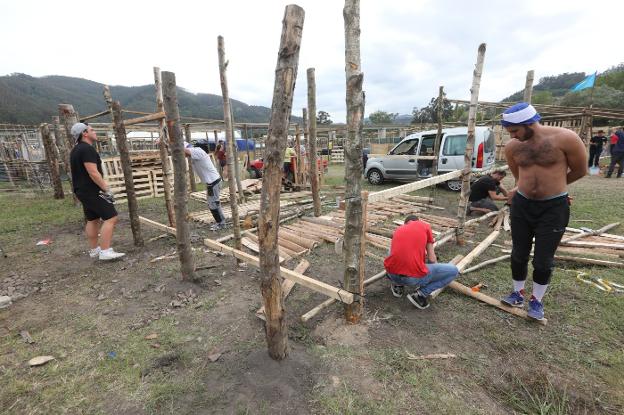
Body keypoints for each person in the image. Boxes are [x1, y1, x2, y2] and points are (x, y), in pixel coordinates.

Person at [501, 103, 587, 320]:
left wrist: (557, 187)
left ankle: (537, 301)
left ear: (529, 123)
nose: (512, 136)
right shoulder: (513, 147)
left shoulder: (565, 138)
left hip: (553, 208)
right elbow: (518, 175)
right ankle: (517, 292)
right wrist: (518, 189)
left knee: (543, 259)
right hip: (522, 205)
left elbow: (580, 170)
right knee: (518, 254)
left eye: (514, 131)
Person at [69, 123, 125, 261]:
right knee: (111, 217)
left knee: (92, 219)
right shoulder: (87, 149)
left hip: (81, 190)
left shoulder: (76, 150)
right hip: (92, 190)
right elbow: (93, 173)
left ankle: (94, 250)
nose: (95, 132)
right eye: (91, 130)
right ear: (84, 133)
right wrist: (107, 189)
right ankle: (105, 251)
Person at [384, 215, 459, 309]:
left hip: (392, 274)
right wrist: (433, 274)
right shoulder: (425, 226)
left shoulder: (399, 229)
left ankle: (397, 285)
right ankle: (420, 294)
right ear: (418, 221)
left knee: (393, 250)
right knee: (454, 271)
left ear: (406, 223)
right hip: (411, 279)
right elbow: (432, 259)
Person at [184, 143, 227, 230]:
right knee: (214, 203)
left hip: (213, 182)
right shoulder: (195, 152)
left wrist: (170, 142)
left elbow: (183, 149)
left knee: (212, 204)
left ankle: (221, 224)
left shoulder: (197, 151)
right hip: (213, 182)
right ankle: (221, 221)